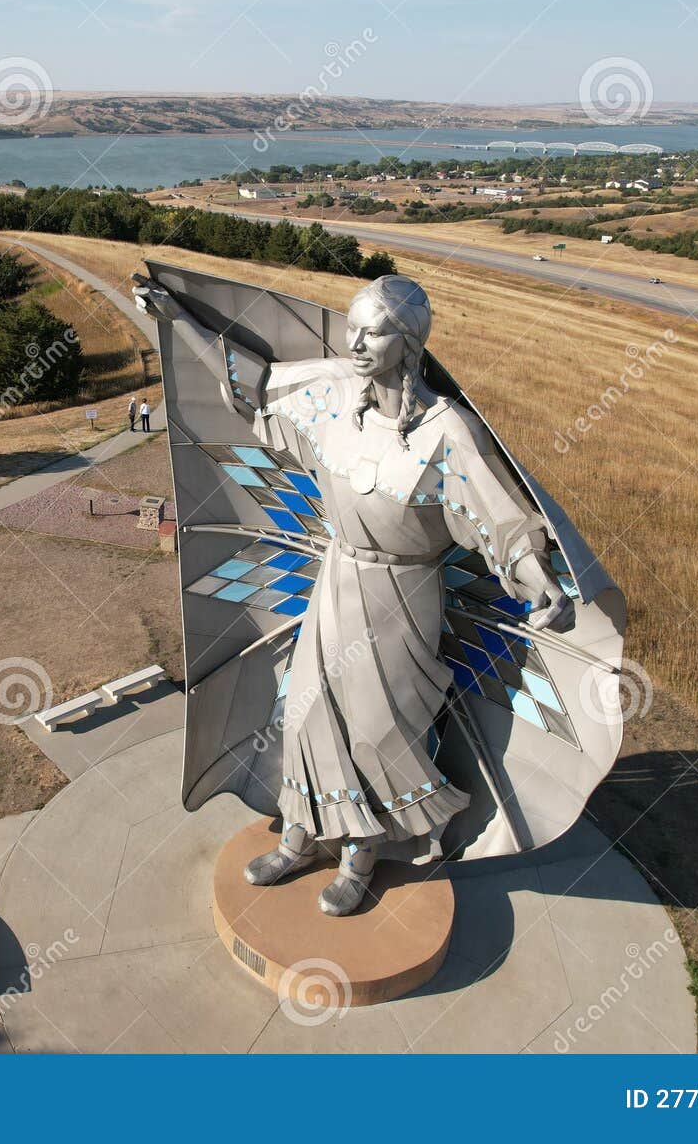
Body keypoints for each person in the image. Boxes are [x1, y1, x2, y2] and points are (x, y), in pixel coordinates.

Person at [135, 273, 573, 916]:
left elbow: (500, 519)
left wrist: (540, 581)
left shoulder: (448, 431)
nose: (357, 343)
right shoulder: (334, 392)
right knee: (305, 712)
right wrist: (178, 320)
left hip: (402, 597)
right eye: (354, 328)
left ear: (411, 342)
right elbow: (252, 382)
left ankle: (358, 858)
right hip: (336, 580)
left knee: (377, 729)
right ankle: (298, 837)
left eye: (375, 332)